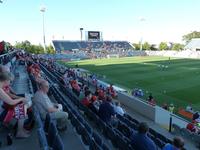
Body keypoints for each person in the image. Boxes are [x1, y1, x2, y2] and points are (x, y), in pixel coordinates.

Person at [0, 72, 29, 138]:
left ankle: (21, 129)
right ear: (6, 80)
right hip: (1, 113)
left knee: (22, 107)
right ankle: (20, 132)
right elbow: (11, 102)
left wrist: (20, 99)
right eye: (9, 81)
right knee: (22, 108)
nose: (10, 83)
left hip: (3, 109)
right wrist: (21, 99)